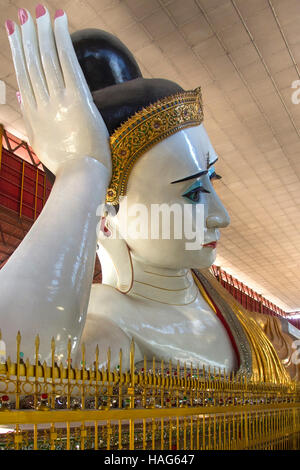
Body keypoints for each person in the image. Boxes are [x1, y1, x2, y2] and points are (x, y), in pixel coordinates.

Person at [0, 6, 290, 383]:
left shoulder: (214, 299)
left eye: (211, 180)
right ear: (105, 221)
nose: (222, 216)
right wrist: (82, 170)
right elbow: (20, 374)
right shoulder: (110, 328)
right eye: (192, 192)